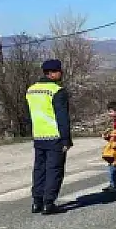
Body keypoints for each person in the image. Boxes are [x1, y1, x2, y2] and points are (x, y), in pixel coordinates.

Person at [25, 59, 72, 215]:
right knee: (54, 170)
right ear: (52, 73)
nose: (61, 73)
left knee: (39, 169)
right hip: (55, 136)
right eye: (59, 70)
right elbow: (62, 117)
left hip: (38, 135)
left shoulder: (31, 90)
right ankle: (48, 203)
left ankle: (36, 201)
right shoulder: (57, 91)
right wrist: (66, 139)